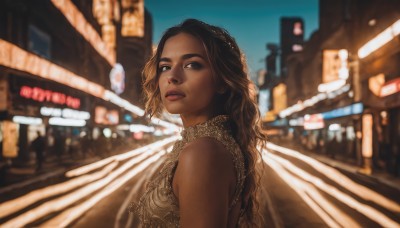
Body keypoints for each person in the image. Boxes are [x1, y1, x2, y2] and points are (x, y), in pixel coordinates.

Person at [130, 19, 266, 227]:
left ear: (221, 80)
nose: (172, 77)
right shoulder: (209, 144)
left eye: (192, 64)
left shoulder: (203, 152)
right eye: (165, 66)